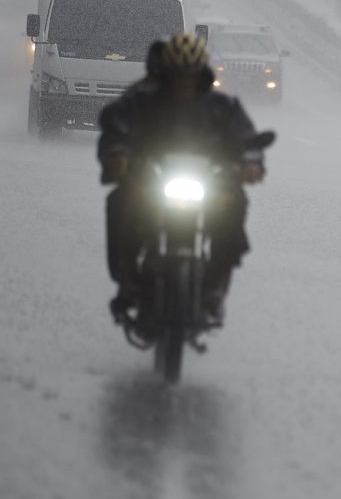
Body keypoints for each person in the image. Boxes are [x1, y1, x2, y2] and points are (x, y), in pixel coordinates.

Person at [98, 32, 267, 325]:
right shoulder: (144, 101)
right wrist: (117, 155)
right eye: (179, 75)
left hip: (208, 184)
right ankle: (129, 284)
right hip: (153, 180)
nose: (185, 83)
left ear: (201, 73)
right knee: (120, 203)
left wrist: (250, 162)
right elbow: (117, 128)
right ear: (168, 72)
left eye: (191, 76)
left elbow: (245, 136)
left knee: (234, 204)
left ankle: (215, 288)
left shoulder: (221, 107)